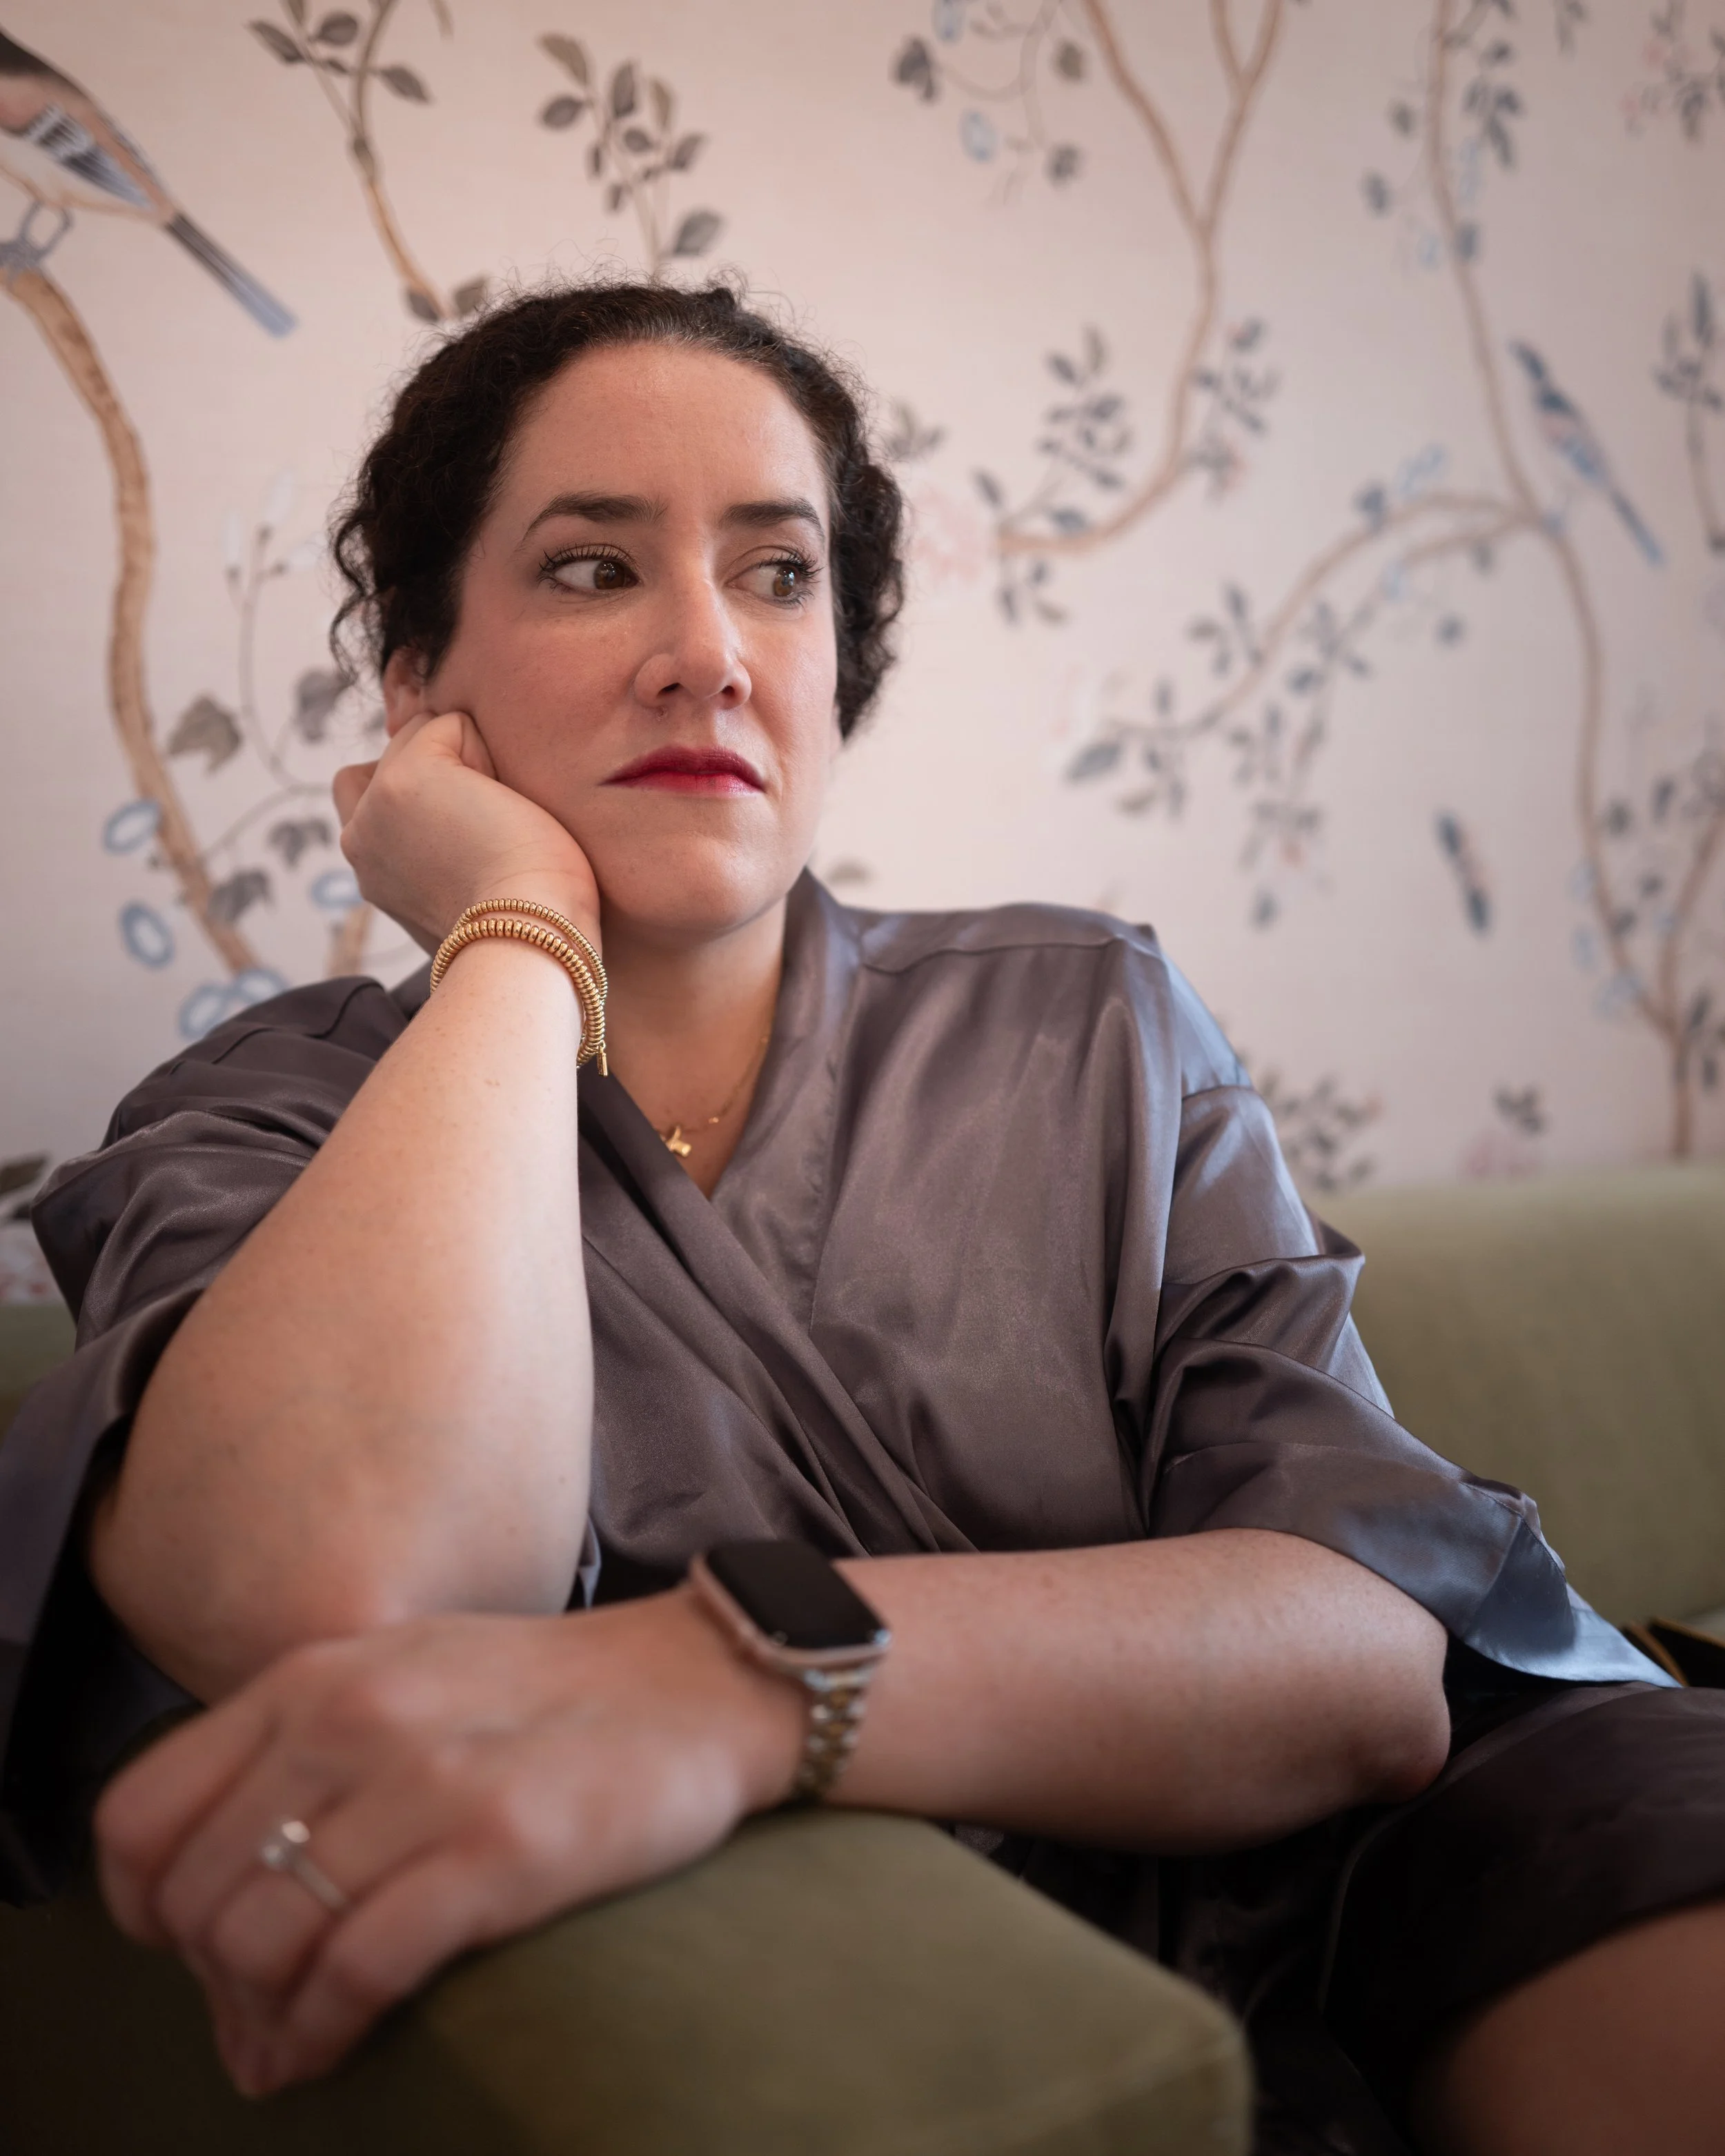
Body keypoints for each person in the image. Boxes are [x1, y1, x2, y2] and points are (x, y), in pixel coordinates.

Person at [3, 280, 1723, 2156]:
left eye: (777, 574)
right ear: (419, 683)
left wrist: (730, 1682)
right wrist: (517, 937)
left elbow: (1367, 1654)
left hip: (1419, 1860)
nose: (705, 652)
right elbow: (340, 1595)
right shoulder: (264, 1126)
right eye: (592, 569)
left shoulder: (1089, 1016)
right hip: (910, 1995)